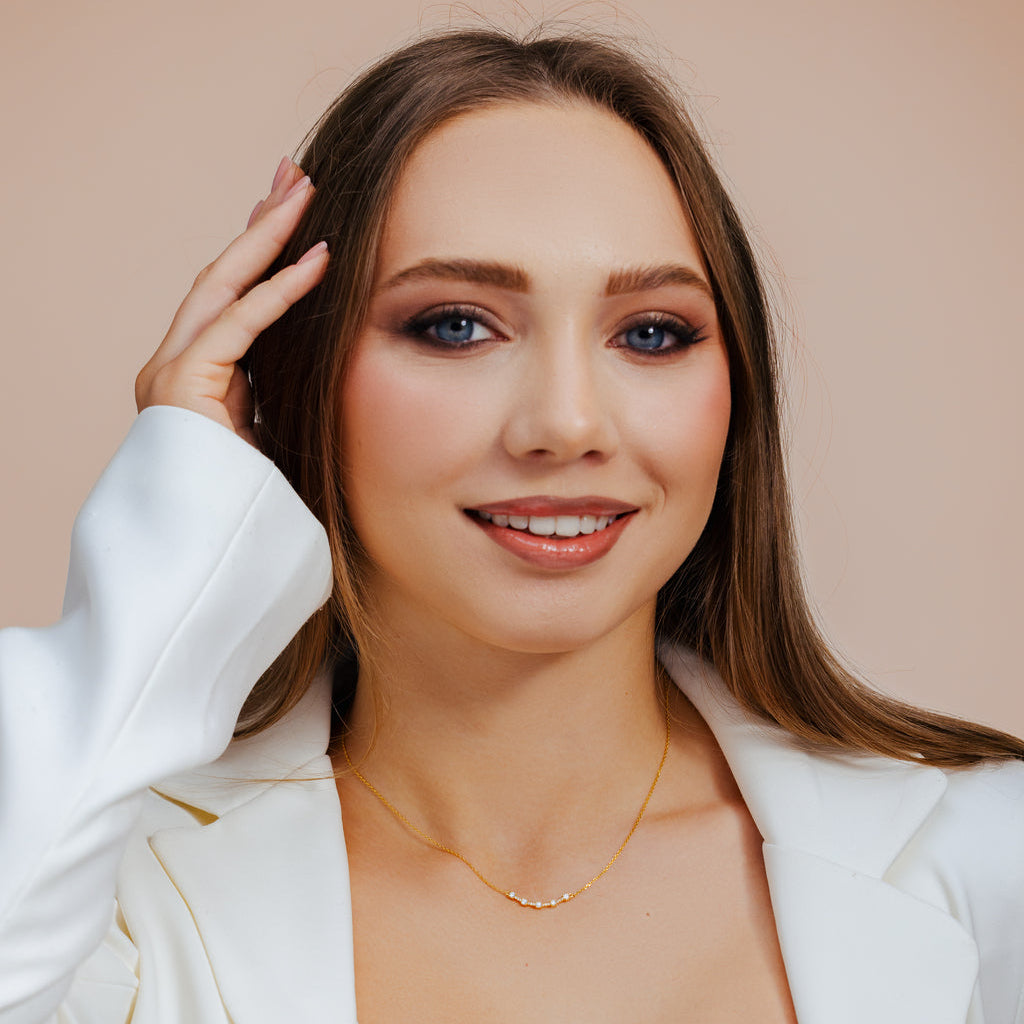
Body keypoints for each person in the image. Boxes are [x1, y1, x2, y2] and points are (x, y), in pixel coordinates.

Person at [1, 25, 1022, 1024]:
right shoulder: (106, 892)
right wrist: (180, 528)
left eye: (652, 332)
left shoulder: (985, 857)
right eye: (454, 325)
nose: (567, 424)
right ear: (296, 373)